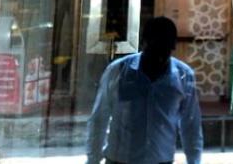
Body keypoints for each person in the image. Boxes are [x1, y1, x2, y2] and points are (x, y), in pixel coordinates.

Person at [87, 16, 203, 164]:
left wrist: (194, 161)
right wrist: (93, 160)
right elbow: (99, 118)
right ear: (143, 43)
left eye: (165, 50)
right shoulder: (118, 71)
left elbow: (191, 125)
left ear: (173, 46)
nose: (159, 57)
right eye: (155, 49)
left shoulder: (184, 76)